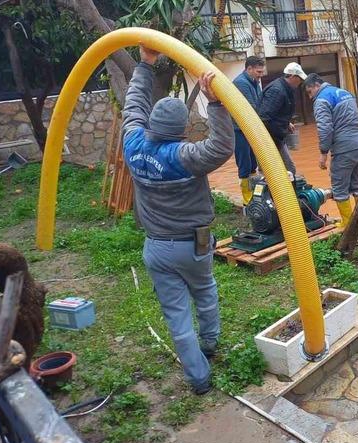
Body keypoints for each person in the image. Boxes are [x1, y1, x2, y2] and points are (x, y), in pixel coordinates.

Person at [122, 45, 234, 395]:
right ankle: (212, 343)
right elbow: (220, 147)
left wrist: (145, 63)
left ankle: (199, 378)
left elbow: (132, 107)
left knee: (176, 314)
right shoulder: (184, 156)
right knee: (204, 290)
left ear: (152, 124)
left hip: (156, 247)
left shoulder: (133, 145)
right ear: (182, 129)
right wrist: (215, 103)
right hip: (193, 244)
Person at [303, 74, 358, 230]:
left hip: (344, 148)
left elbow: (325, 128)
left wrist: (323, 153)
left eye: (309, 92)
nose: (310, 97)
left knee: (339, 188)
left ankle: (347, 225)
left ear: (316, 86)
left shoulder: (321, 100)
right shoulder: (345, 93)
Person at [258, 62, 307, 179]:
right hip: (271, 139)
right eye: (299, 79)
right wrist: (267, 144)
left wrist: (286, 123)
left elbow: (276, 112)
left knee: (288, 170)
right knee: (288, 170)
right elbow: (264, 116)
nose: (300, 82)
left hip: (277, 136)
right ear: (291, 76)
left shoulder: (284, 88)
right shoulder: (277, 90)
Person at [232, 56, 265, 202]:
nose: (260, 75)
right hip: (239, 129)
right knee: (244, 162)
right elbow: (251, 107)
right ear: (249, 68)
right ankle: (247, 198)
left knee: (252, 162)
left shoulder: (254, 81)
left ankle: (254, 194)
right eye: (258, 71)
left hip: (250, 128)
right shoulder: (241, 83)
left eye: (261, 71)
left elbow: (259, 102)